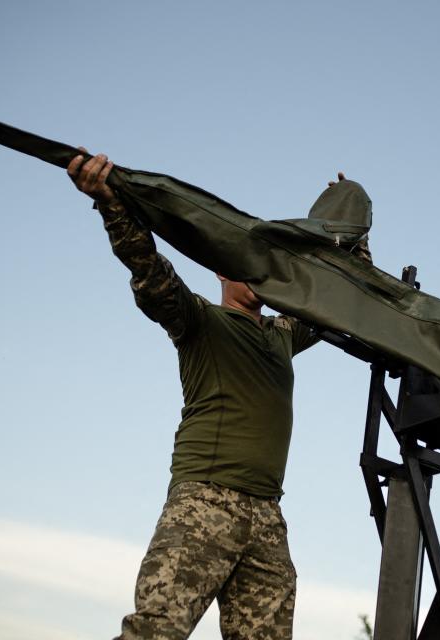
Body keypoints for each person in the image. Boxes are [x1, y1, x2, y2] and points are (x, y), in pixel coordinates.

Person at [67, 150, 368, 640]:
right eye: (240, 263)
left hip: (268, 516)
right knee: (155, 630)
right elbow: (149, 270)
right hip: (206, 500)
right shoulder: (201, 323)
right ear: (221, 271)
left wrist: (348, 226)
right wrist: (109, 204)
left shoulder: (281, 335)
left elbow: (336, 298)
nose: (252, 273)